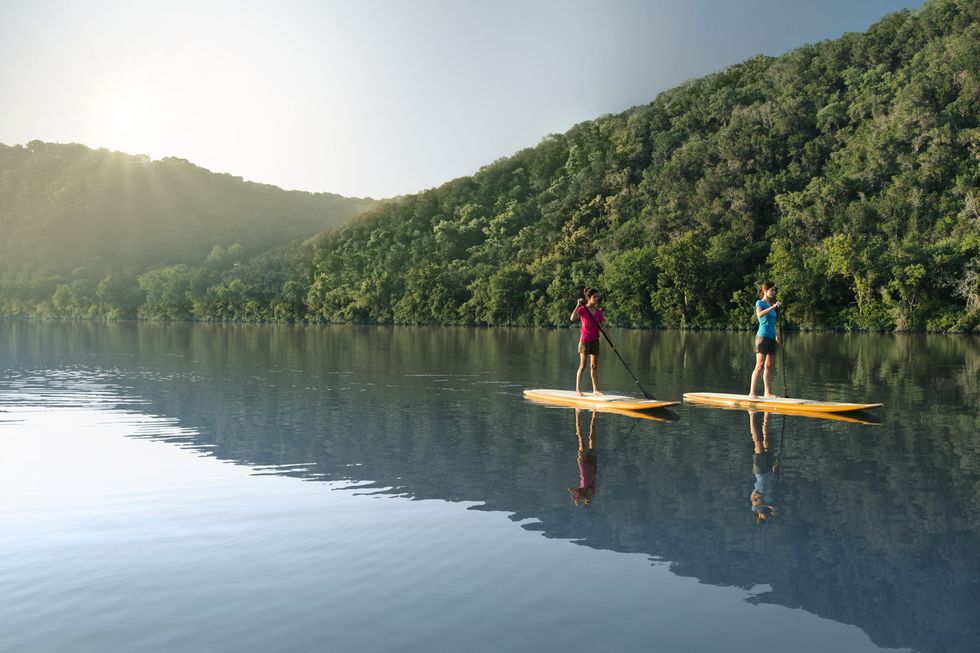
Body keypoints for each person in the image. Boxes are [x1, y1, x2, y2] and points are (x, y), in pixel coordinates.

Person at [748, 282, 782, 399]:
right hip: (762, 337)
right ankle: (752, 392)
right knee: (759, 365)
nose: (773, 292)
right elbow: (760, 315)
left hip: (772, 337)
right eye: (772, 290)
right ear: (765, 291)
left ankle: (767, 393)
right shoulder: (760, 303)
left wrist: (777, 335)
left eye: (774, 290)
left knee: (769, 365)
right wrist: (773, 307)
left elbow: (773, 322)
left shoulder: (772, 305)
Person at [570, 287, 604, 396]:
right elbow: (572, 318)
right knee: (583, 365)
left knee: (594, 365)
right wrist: (578, 305)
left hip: (595, 340)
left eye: (597, 296)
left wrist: (612, 343)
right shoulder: (583, 310)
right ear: (589, 298)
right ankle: (578, 390)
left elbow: (604, 327)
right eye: (595, 297)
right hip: (585, 340)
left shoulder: (599, 312)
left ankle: (595, 390)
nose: (597, 298)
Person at [748, 410, 777, 523]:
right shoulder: (768, 504)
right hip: (769, 471)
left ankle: (751, 416)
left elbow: (756, 499)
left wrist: (769, 506)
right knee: (767, 440)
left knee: (758, 443)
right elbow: (771, 484)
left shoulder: (755, 508)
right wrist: (774, 469)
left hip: (760, 472)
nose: (767, 517)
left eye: (765, 518)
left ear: (759, 517)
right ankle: (766, 414)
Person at [568, 409, 598, 506]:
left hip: (583, 463)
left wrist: (574, 498)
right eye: (589, 499)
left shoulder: (581, 492)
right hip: (592, 464)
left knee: (580, 438)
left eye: (587, 499)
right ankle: (594, 413)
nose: (588, 497)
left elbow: (570, 489)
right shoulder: (592, 490)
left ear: (585, 497)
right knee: (592, 438)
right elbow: (594, 477)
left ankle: (576, 414)